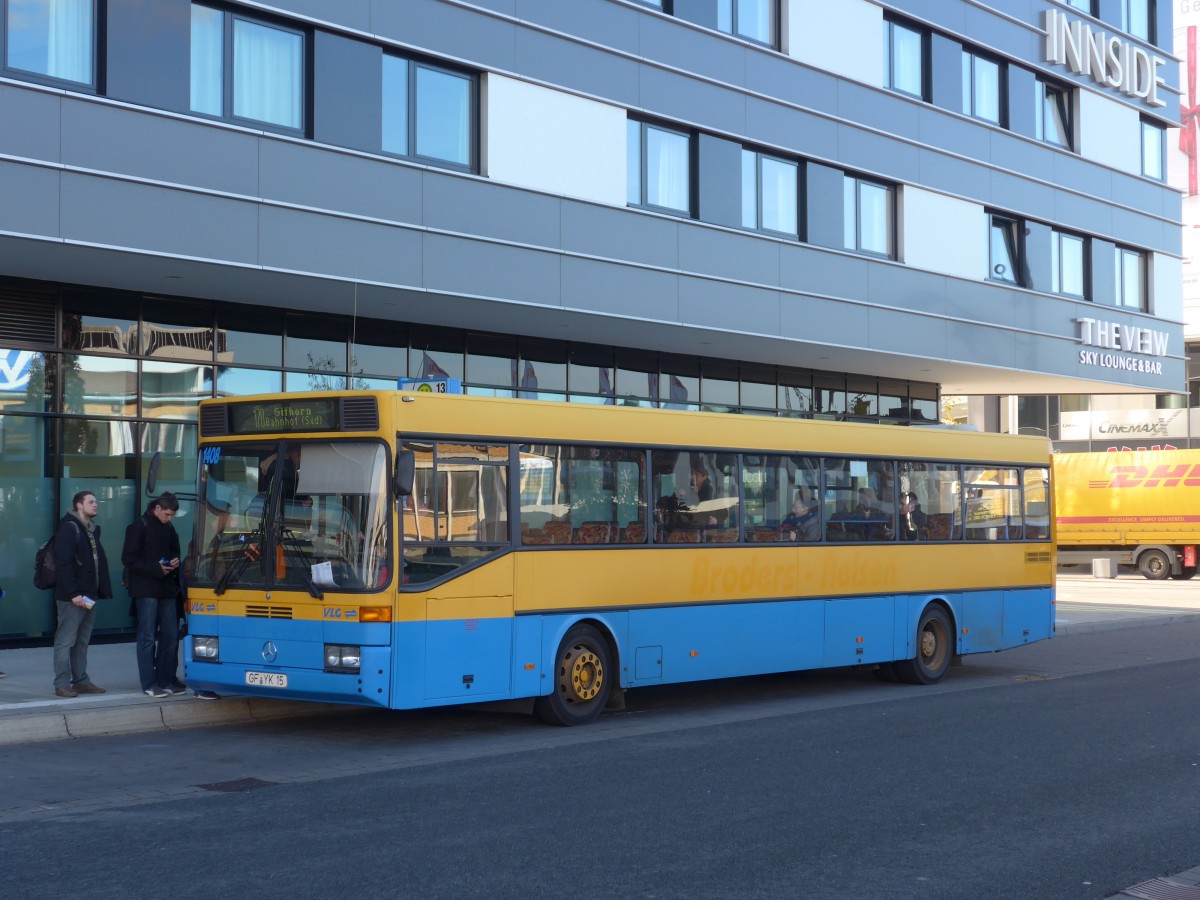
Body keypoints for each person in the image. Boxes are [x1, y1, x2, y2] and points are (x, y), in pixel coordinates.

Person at [122, 492, 186, 699]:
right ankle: (149, 683)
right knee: (147, 637)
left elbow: (175, 550)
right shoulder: (139, 526)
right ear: (157, 508)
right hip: (145, 588)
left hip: (165, 587)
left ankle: (165, 679)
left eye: (172, 515)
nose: (169, 518)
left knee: (170, 635)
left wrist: (174, 561)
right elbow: (128, 558)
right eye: (167, 514)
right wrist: (156, 568)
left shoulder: (168, 527)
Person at [52, 490, 112, 698]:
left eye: (96, 502)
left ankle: (80, 681)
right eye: (91, 502)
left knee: (81, 641)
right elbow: (64, 564)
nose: (96, 505)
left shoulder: (90, 529)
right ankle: (61, 683)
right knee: (65, 640)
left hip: (89, 596)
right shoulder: (70, 528)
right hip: (73, 598)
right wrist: (74, 593)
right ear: (79, 505)